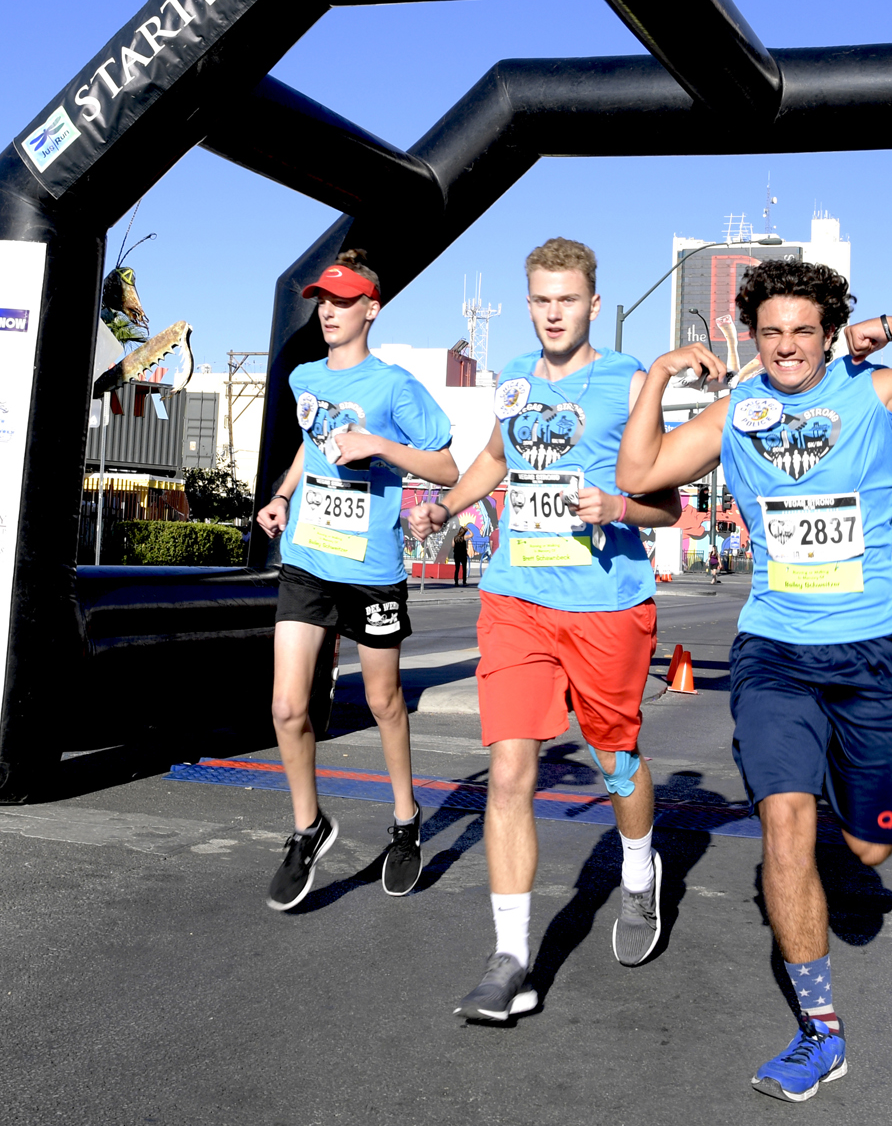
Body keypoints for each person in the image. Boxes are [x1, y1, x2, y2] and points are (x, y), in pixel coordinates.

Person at [617, 259, 892, 1103]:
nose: (788, 345)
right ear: (752, 337)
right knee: (785, 825)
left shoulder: (875, 392)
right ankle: (820, 1033)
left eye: (803, 329)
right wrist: (656, 375)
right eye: (772, 331)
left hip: (874, 650)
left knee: (869, 845)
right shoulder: (738, 411)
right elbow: (638, 475)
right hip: (774, 651)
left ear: (830, 332)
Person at [407, 238, 681, 1022]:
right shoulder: (516, 379)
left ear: (594, 303)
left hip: (605, 605)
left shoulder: (630, 381)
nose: (553, 312)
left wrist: (617, 507)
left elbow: (671, 503)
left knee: (615, 758)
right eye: (540, 299)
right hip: (516, 599)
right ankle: (511, 958)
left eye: (567, 299)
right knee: (509, 772)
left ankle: (637, 871)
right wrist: (448, 505)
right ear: (528, 302)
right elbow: (495, 458)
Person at [255, 249, 458, 912]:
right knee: (288, 705)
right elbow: (308, 446)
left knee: (382, 702)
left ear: (371, 307)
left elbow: (449, 466)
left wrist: (380, 448)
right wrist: (283, 494)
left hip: (372, 570)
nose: (328, 311)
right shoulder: (305, 376)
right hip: (308, 557)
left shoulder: (395, 387)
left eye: (342, 302)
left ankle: (405, 819)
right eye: (322, 300)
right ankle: (307, 826)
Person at [452, 521, 471, 586]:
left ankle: (456, 581)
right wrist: (468, 529)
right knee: (464, 568)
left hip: (456, 554)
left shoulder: (454, 538)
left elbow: (453, 545)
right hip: (463, 555)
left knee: (457, 568)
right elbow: (472, 535)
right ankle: (464, 581)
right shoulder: (464, 537)